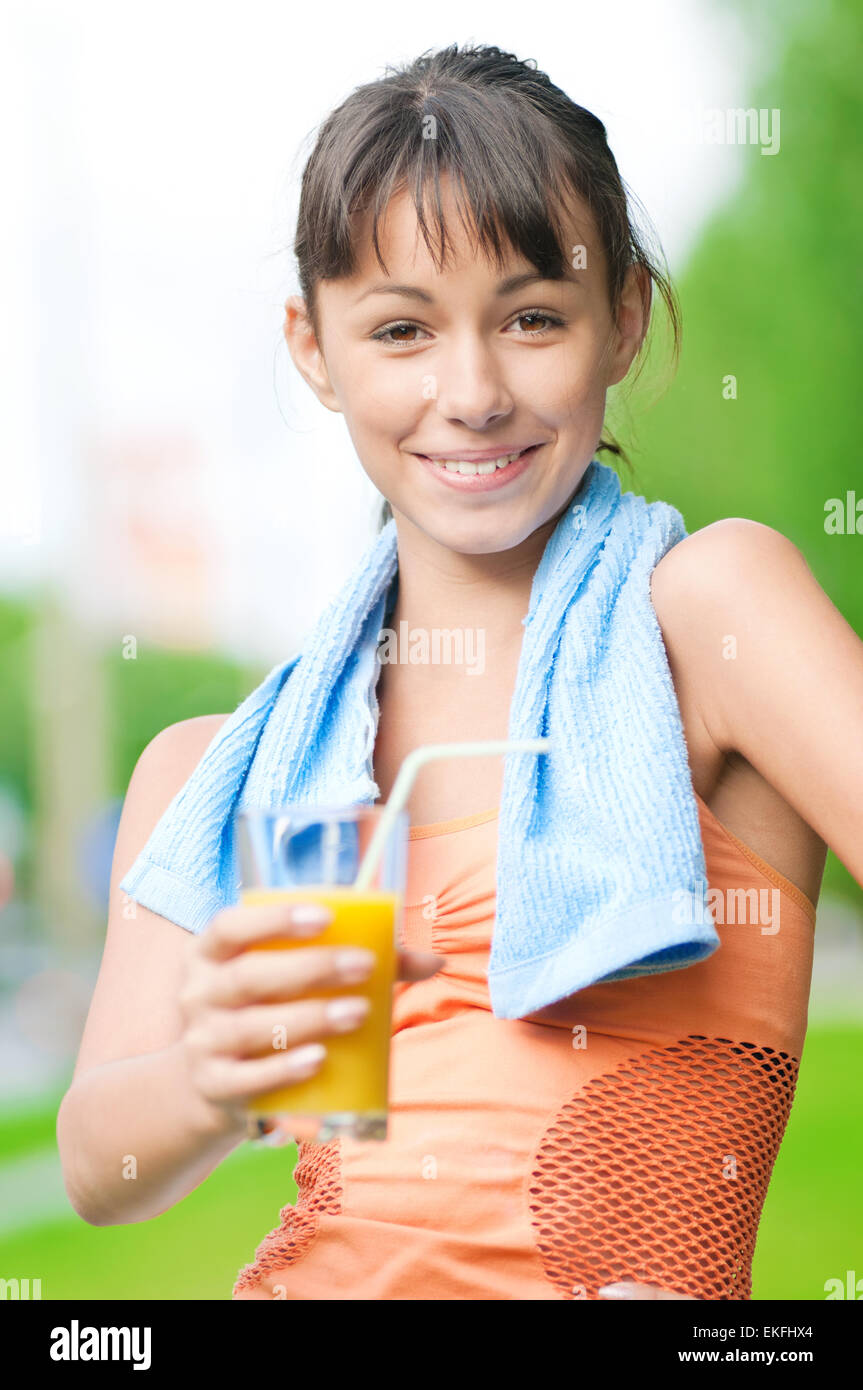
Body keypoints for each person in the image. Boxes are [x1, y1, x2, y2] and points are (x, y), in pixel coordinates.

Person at [57, 43, 862, 1301]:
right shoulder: (219, 769)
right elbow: (100, 1171)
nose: (472, 392)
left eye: (532, 316)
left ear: (626, 319)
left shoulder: (709, 614)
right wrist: (221, 1071)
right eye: (399, 330)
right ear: (312, 349)